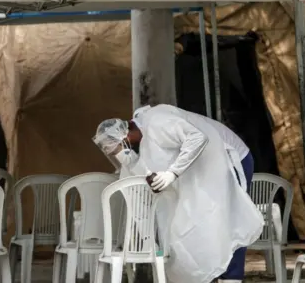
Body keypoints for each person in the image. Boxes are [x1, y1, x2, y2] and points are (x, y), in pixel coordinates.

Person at [93, 104, 263, 283]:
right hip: (203, 164)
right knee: (203, 220)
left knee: (229, 216)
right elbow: (143, 170)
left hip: (229, 156)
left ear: (125, 136)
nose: (119, 153)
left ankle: (232, 278)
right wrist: (126, 158)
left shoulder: (158, 120)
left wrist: (172, 173)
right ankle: (215, 274)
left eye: (119, 148)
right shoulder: (144, 141)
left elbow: (197, 137)